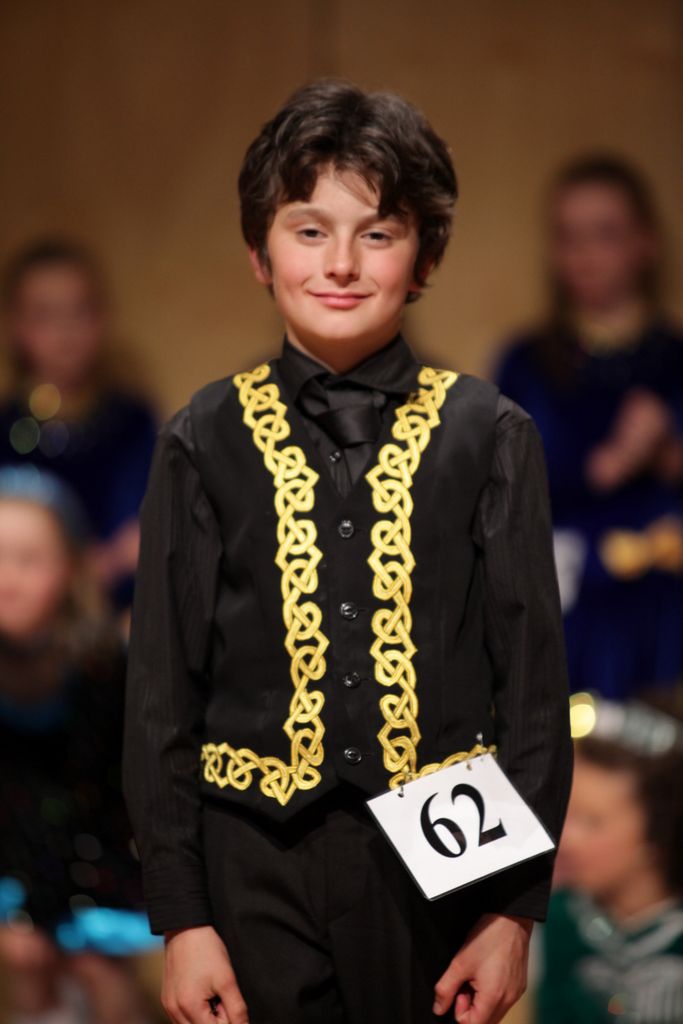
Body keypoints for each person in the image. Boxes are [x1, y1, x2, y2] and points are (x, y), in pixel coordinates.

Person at [123, 79, 572, 1024]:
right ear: (259, 253)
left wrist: (512, 911)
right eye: (308, 230)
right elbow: (161, 691)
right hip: (250, 858)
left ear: (424, 256)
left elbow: (532, 687)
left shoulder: (489, 433)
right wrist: (182, 918)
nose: (340, 263)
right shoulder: (201, 438)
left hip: (445, 861)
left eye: (377, 233)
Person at [492, 156, 683, 700]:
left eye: (605, 234)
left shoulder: (673, 359)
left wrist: (667, 452)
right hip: (572, 607)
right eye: (568, 237)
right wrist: (614, 461)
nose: (584, 255)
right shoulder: (528, 363)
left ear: (646, 243)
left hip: (667, 610)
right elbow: (507, 488)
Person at [0, 465, 160, 1024]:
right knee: (25, 964)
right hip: (17, 864)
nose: (7, 578)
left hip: (97, 861)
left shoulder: (103, 664)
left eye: (28, 560)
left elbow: (101, 800)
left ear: (69, 570)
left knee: (98, 970)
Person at [0, 238, 158, 610]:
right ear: (16, 324)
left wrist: (117, 558)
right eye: (45, 315)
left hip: (120, 610)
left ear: (103, 316)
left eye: (79, 311)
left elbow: (146, 518)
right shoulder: (6, 428)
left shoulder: (131, 422)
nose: (65, 331)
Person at [538, 695, 683, 1023]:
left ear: (659, 834)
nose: (566, 838)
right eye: (566, 811)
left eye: (591, 821)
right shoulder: (558, 918)